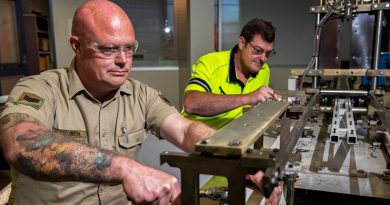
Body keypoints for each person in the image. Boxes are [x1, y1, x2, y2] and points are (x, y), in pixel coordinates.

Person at [0, 1, 281, 204]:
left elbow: (184, 130)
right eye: (109, 49)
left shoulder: (140, 95)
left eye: (128, 48)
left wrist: (240, 161)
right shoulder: (41, 88)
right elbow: (20, 142)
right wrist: (125, 167)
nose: (123, 61)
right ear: (77, 46)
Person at [182, 18, 282, 129]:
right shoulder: (210, 63)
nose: (263, 59)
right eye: (258, 50)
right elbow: (190, 103)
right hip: (194, 138)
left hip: (232, 139)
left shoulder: (264, 71)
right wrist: (247, 98)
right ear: (242, 43)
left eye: (268, 53)